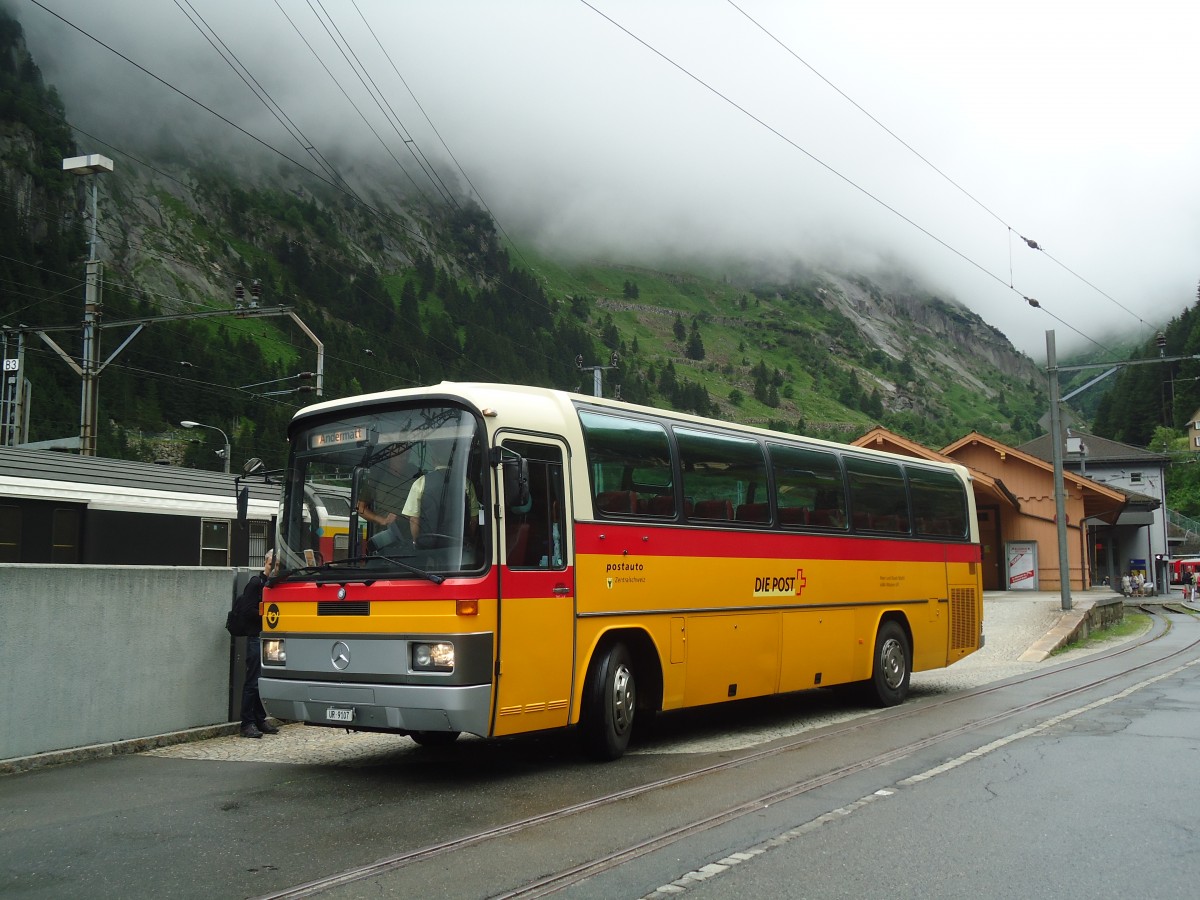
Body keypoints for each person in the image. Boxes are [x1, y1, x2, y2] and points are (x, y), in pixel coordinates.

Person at [230, 550, 281, 739]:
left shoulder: (273, 585)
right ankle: (247, 723)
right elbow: (247, 610)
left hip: (268, 637)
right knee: (252, 681)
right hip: (255, 637)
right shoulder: (255, 583)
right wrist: (266, 612)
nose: (274, 569)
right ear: (265, 563)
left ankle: (260, 719)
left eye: (277, 566)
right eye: (271, 564)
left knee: (263, 681)